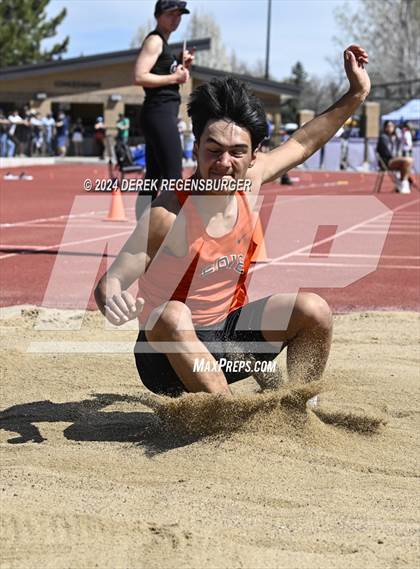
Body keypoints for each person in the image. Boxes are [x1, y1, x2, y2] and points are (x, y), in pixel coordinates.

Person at [95, 45, 370, 397]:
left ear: (254, 155)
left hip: (228, 343)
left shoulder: (249, 184)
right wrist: (112, 300)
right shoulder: (168, 215)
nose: (224, 162)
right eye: (213, 150)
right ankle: (227, 417)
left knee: (313, 310)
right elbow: (110, 281)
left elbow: (304, 142)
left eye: (237, 152)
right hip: (165, 356)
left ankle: (298, 409)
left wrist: (357, 93)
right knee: (171, 314)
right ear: (195, 149)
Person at [133, 0, 194, 219]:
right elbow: (139, 76)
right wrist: (175, 76)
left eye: (179, 15)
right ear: (158, 15)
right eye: (171, 14)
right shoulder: (154, 41)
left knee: (154, 178)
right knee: (173, 175)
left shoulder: (165, 46)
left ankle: (143, 230)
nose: (176, 19)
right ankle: (170, 231)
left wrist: (181, 66)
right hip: (158, 113)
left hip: (161, 113)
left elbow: (164, 75)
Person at [376, 120, 413, 194]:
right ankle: (403, 183)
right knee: (407, 161)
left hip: (395, 160)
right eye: (388, 126)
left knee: (407, 163)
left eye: (392, 126)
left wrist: (398, 139)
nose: (390, 128)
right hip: (387, 162)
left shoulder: (395, 137)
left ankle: (402, 182)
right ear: (385, 128)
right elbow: (387, 153)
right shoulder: (383, 137)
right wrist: (398, 157)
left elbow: (400, 149)